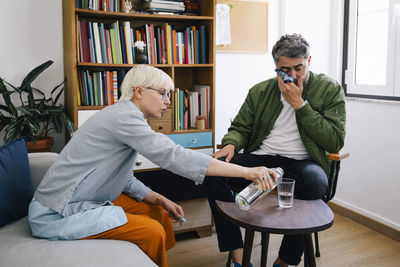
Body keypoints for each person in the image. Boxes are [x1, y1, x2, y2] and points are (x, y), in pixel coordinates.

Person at [28, 65, 277, 267]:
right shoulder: (123, 118)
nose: (168, 101)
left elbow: (122, 178)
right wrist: (247, 172)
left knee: (160, 215)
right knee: (152, 232)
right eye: (163, 93)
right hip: (56, 212)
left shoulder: (127, 116)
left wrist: (159, 199)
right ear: (138, 91)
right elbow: (174, 156)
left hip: (83, 197)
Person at [204, 33, 346, 267]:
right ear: (275, 65)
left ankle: (284, 261)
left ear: (309, 60)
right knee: (214, 171)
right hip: (262, 158)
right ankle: (239, 257)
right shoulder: (260, 91)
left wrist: (300, 105)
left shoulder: (329, 89)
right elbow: (240, 128)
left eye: (298, 68)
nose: (291, 75)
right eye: (283, 69)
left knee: (317, 183)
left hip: (303, 162)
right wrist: (231, 143)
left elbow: (334, 141)